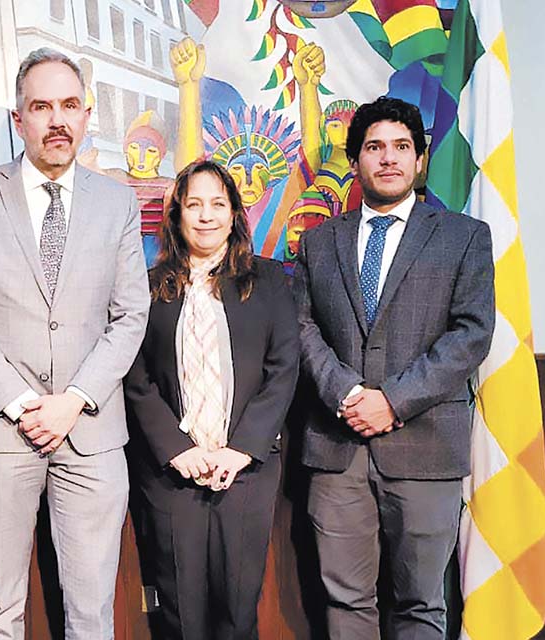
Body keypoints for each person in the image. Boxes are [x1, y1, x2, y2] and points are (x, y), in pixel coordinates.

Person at [0, 47, 149, 639]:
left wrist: (74, 399)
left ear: (86, 115)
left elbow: (130, 315)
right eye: (41, 106)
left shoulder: (117, 201)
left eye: (70, 105)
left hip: (92, 431)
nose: (57, 119)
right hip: (2, 430)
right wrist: (21, 403)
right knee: (0, 605)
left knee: (92, 613)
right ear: (18, 118)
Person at [294, 96, 495, 639]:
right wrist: (347, 394)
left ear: (420, 160)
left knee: (422, 605)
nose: (388, 159)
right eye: (374, 147)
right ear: (356, 161)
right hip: (337, 448)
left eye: (401, 147)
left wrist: (393, 401)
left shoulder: (463, 236)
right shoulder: (317, 241)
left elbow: (471, 333)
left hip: (425, 447)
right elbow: (301, 327)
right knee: (344, 601)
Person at [124, 159, 299, 639]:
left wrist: (239, 450)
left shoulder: (269, 281)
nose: (206, 215)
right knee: (180, 609)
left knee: (237, 607)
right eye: (194, 204)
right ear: (177, 214)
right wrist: (179, 451)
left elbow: (284, 370)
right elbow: (135, 378)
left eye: (217, 204)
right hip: (172, 471)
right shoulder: (148, 286)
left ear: (234, 213)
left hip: (246, 470)